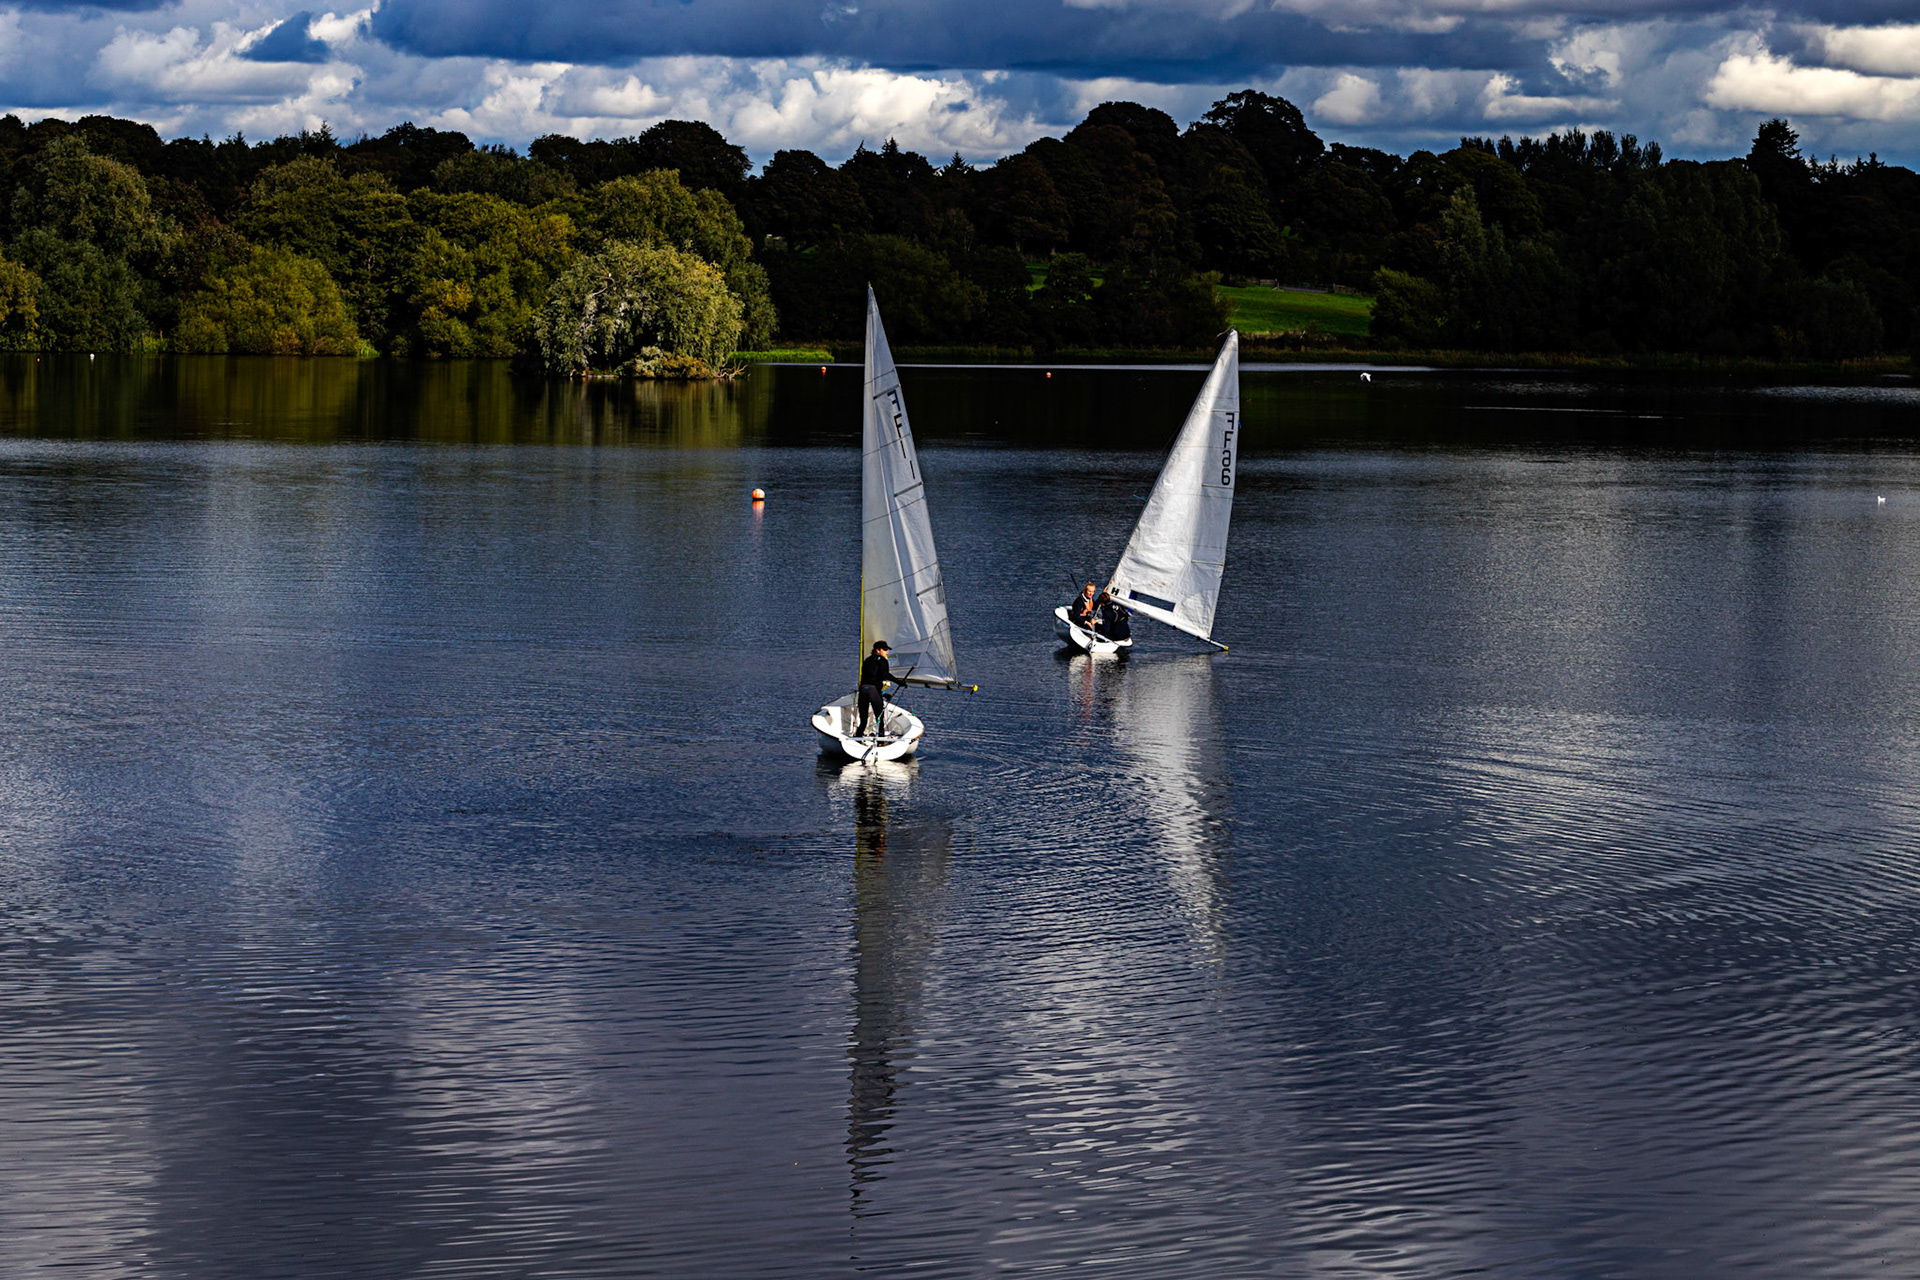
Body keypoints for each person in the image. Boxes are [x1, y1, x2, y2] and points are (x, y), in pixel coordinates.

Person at [856, 640, 892, 738]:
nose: (887, 651)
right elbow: (885, 675)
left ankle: (858, 738)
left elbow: (869, 678)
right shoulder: (883, 660)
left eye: (887, 649)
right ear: (877, 650)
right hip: (873, 690)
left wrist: (883, 694)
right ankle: (880, 740)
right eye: (885, 649)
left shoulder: (867, 660)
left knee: (863, 719)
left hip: (863, 689)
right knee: (879, 718)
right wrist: (900, 682)